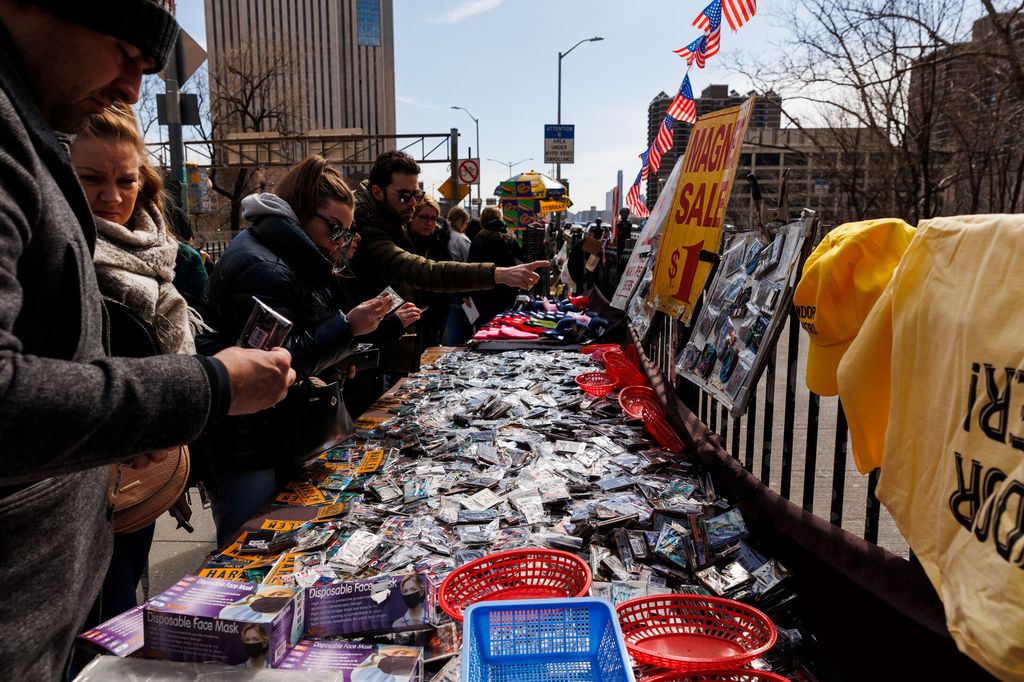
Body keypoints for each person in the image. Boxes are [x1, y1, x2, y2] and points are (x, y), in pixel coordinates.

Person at [0, 2, 294, 678]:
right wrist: (206, 385)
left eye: (125, 180)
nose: (135, 89)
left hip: (57, 589)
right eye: (126, 52)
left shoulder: (29, 130)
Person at [197, 155, 390, 545]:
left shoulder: (291, 257)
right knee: (247, 554)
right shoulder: (265, 265)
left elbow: (296, 338)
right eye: (334, 228)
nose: (339, 241)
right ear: (301, 212)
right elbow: (271, 367)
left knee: (274, 552)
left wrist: (338, 357)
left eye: (345, 233)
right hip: (250, 442)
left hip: (274, 433)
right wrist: (347, 328)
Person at [70, 101, 195, 624]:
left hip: (142, 477)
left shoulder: (159, 251)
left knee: (126, 612)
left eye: (125, 180)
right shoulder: (55, 252)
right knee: (104, 622)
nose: (112, 196)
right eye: (91, 178)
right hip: (81, 488)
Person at [351, 150, 547, 378]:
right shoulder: (368, 224)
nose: (413, 203)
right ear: (377, 192)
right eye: (405, 196)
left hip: (383, 342)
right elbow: (424, 271)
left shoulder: (389, 217)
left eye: (416, 194)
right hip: (363, 351)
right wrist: (498, 274)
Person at [467, 207, 525, 326]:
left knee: (484, 329)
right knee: (504, 326)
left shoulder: (479, 239)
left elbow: (471, 268)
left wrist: (466, 294)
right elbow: (521, 260)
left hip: (483, 294)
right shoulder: (509, 239)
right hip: (507, 292)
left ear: (482, 221)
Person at [407, 197, 450, 347]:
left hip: (433, 313)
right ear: (412, 216)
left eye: (433, 218)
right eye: (424, 217)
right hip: (406, 312)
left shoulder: (440, 243)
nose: (429, 223)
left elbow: (446, 276)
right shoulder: (402, 241)